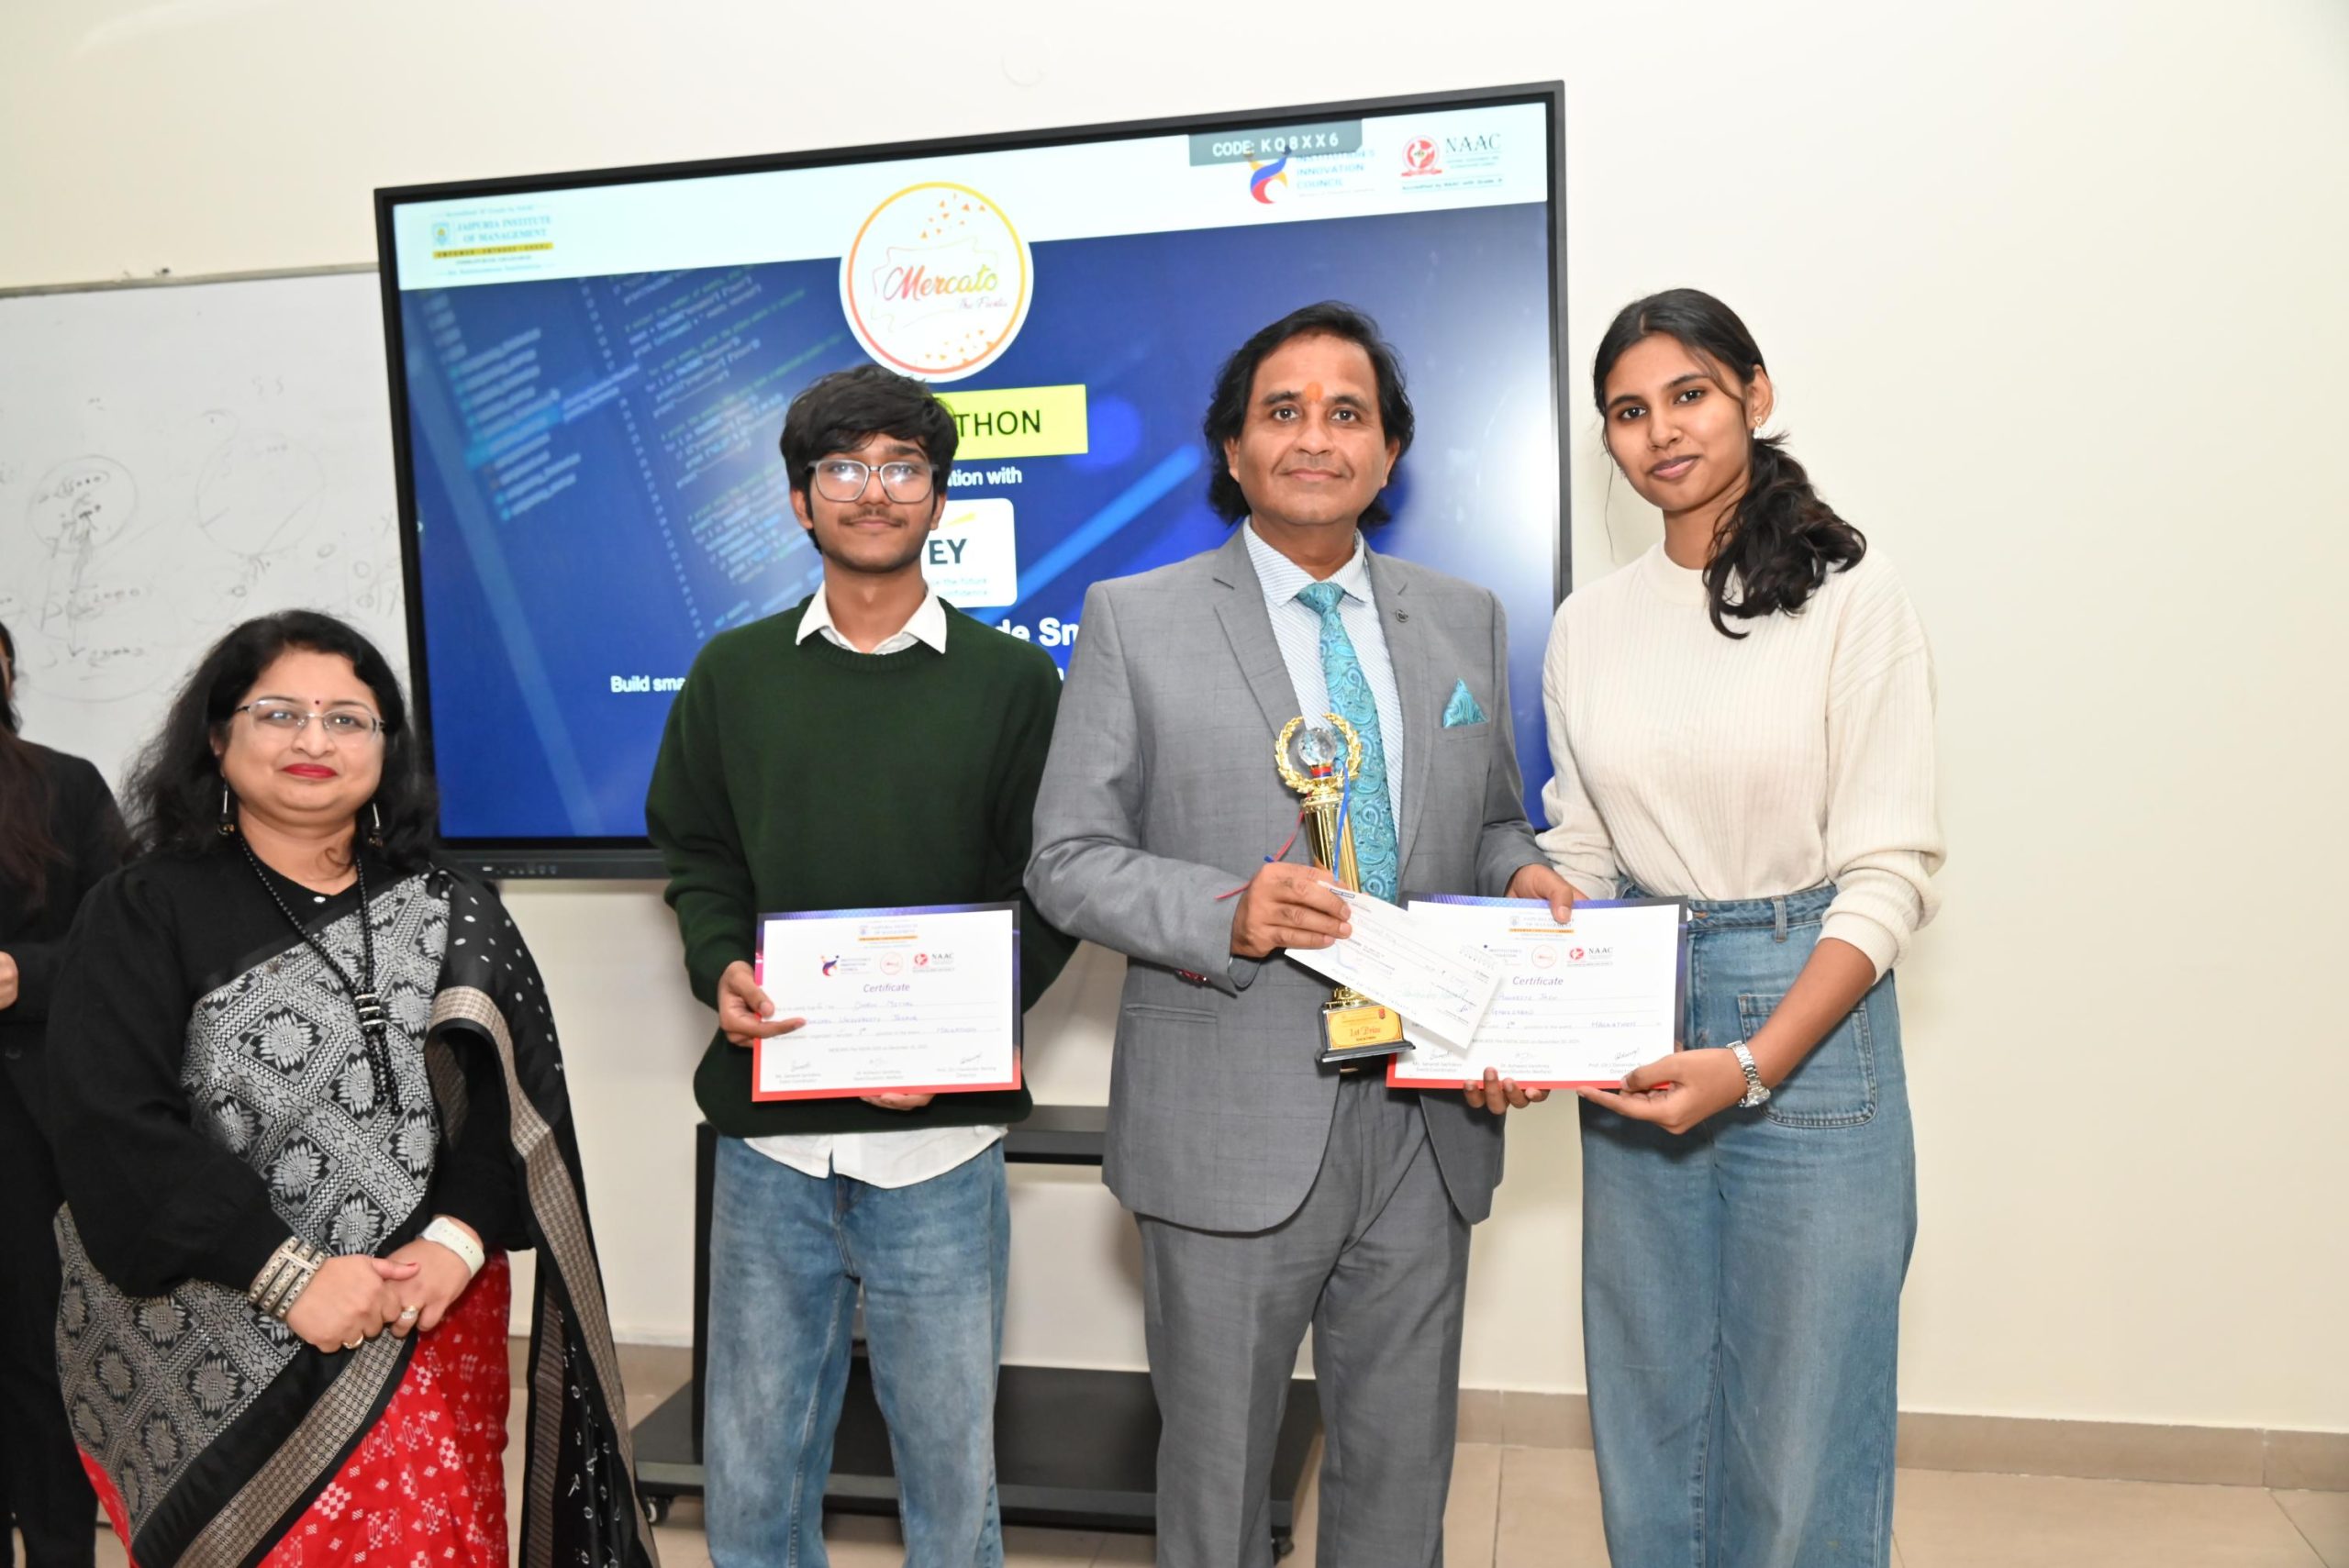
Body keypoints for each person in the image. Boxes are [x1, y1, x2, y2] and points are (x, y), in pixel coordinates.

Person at [1025, 301, 1575, 1568]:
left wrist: (1528, 872)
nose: (1315, 436)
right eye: (1283, 411)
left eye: (1347, 413)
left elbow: (1489, 820)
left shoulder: (1465, 617)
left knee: (1400, 1469)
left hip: (1427, 1111)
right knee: (1218, 1480)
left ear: (1389, 453)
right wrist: (1229, 911)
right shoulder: (1134, 616)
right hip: (1230, 1116)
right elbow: (1067, 859)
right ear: (1234, 448)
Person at [43, 610, 654, 1568]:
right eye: (280, 712)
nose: (315, 740)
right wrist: (289, 1274)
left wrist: (455, 1241)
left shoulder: (451, 904)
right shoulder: (142, 906)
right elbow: (111, 1123)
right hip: (216, 1327)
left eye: (347, 718)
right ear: (218, 737)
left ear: (386, 747)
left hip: (426, 1314)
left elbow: (509, 1110)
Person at [1538, 288, 1943, 1568]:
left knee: (1803, 1414)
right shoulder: (1586, 625)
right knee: (1651, 1404)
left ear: (1754, 397)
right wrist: (1523, 956)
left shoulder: (1852, 597)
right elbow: (1585, 850)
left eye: (1690, 395)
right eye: (1628, 411)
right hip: (1640, 1006)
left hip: (1807, 1011)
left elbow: (1888, 875)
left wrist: (1756, 1059)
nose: (1660, 431)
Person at [645, 363, 1075, 1568]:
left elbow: (1051, 882)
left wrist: (966, 1034)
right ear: (800, 500)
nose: (873, 490)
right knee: (753, 1471)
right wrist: (720, 964)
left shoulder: (1013, 682)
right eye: (843, 468)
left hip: (940, 1145)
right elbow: (698, 851)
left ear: (938, 496)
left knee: (950, 1472)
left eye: (902, 468)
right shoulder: (734, 673)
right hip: (769, 1142)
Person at [0, 621, 128, 1568]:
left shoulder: (64, 786)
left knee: (37, 1362)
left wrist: (24, 975)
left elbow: (119, 947)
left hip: (28, 1125)